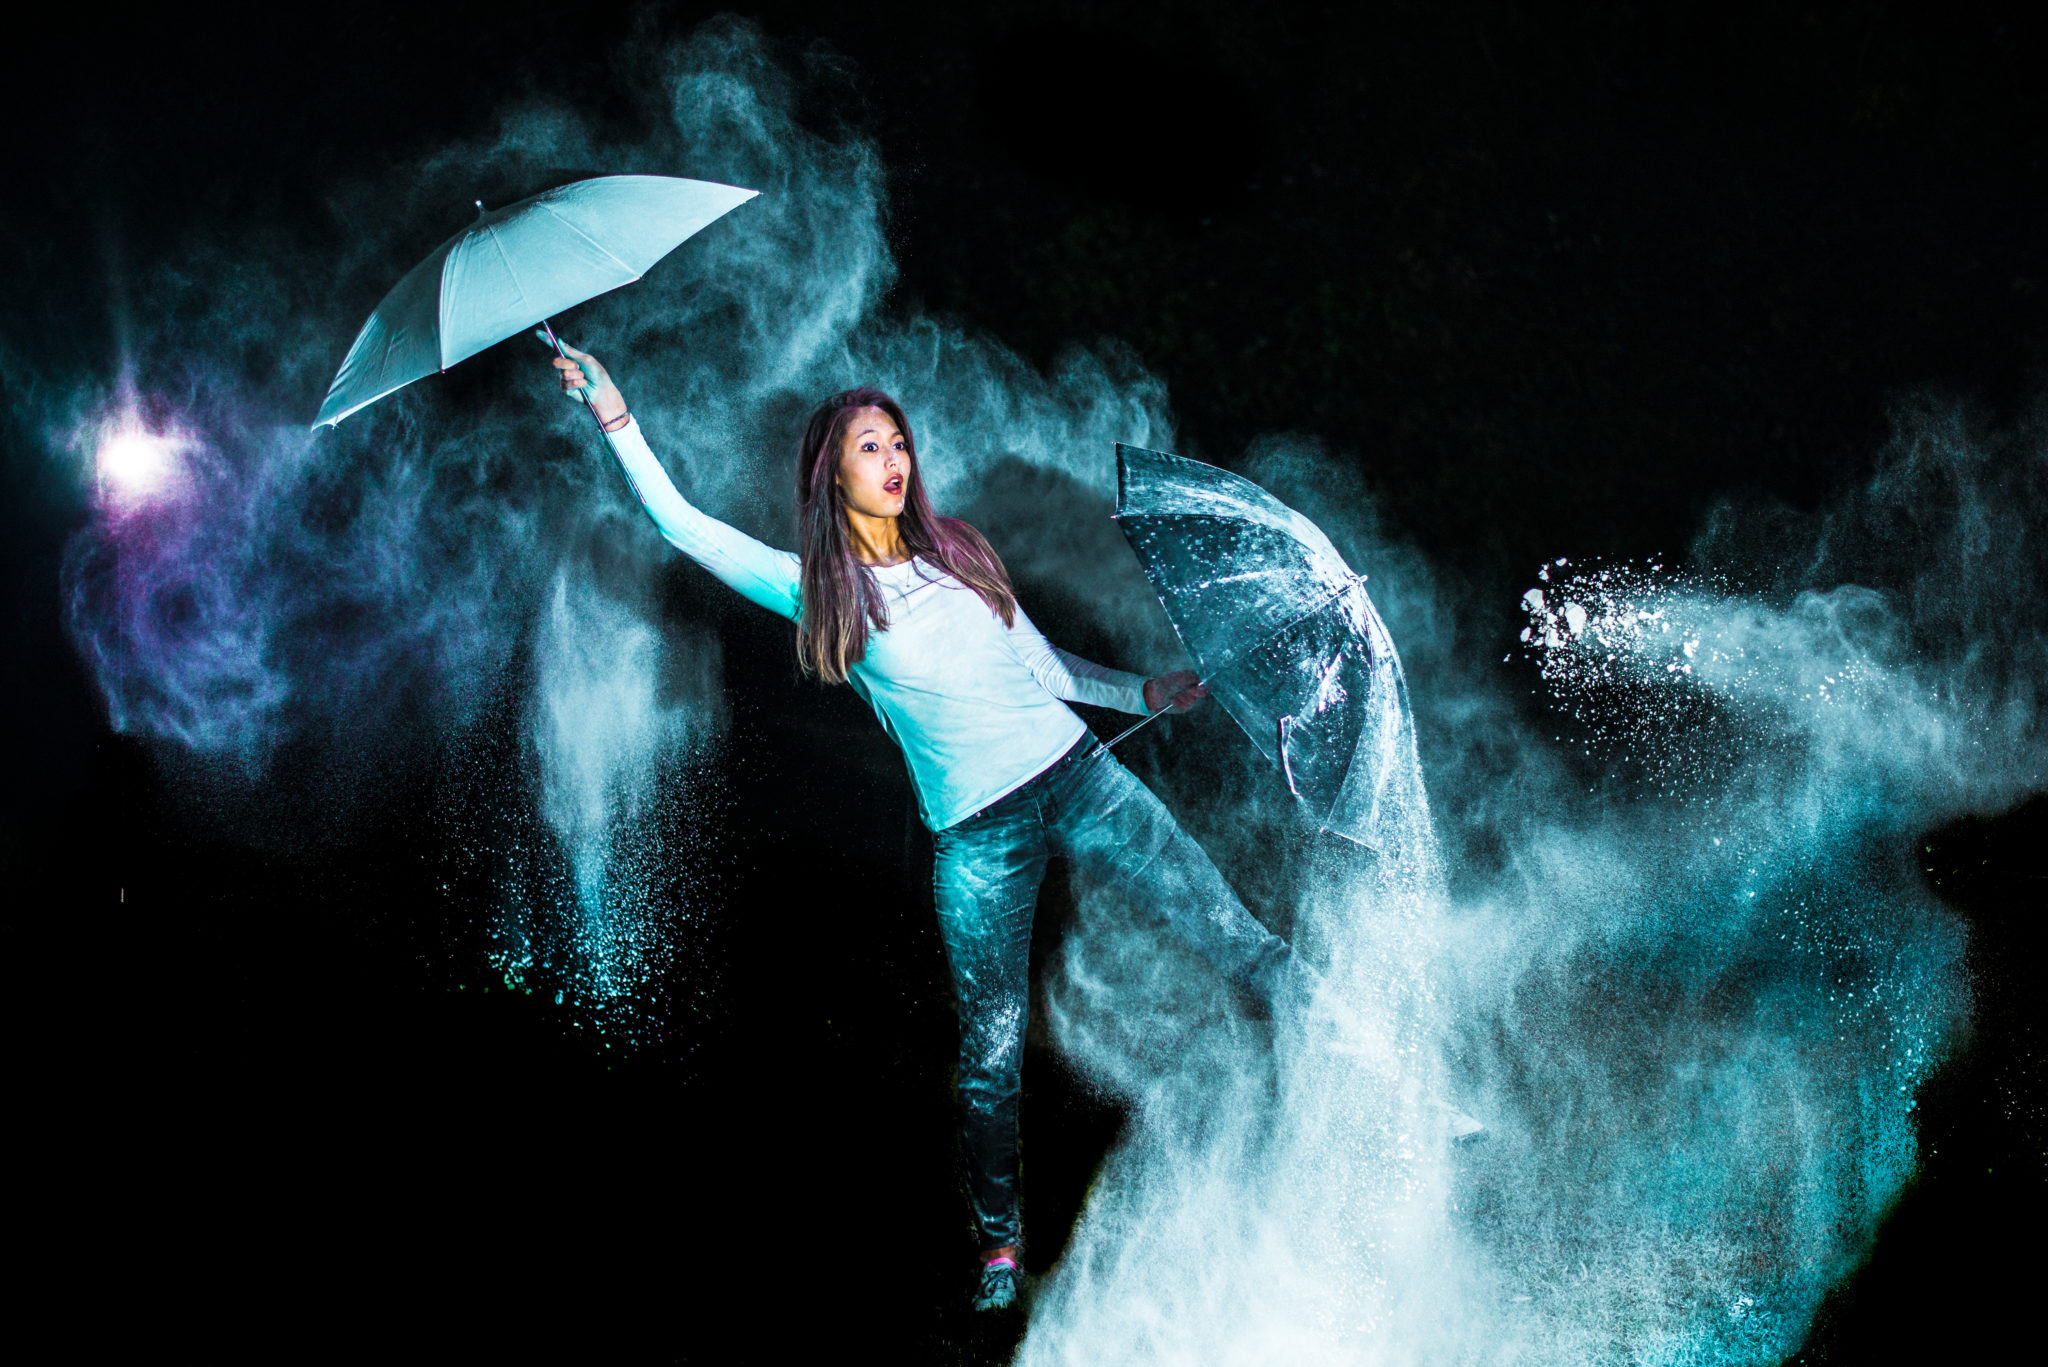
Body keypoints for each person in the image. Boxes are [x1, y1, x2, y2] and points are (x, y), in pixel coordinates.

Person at [548, 344, 1299, 1312]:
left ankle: (1380, 1068)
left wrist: (1141, 690)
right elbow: (682, 525)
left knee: (1237, 937)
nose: (893, 457)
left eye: (898, 440)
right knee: (990, 1053)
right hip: (978, 840)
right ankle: (998, 1246)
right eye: (870, 444)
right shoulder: (821, 591)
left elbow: (1045, 669)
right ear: (833, 470)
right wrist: (612, 412)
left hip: (1080, 778)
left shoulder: (959, 550)